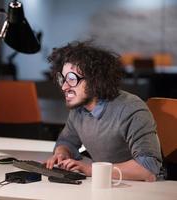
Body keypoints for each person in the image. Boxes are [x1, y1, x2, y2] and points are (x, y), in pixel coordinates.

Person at [45, 41, 162, 182]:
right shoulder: (79, 110)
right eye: (62, 79)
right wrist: (62, 153)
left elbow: (148, 169)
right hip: (105, 184)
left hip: (141, 188)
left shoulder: (131, 108)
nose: (64, 87)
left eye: (72, 79)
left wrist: (91, 169)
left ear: (95, 80)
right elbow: (66, 141)